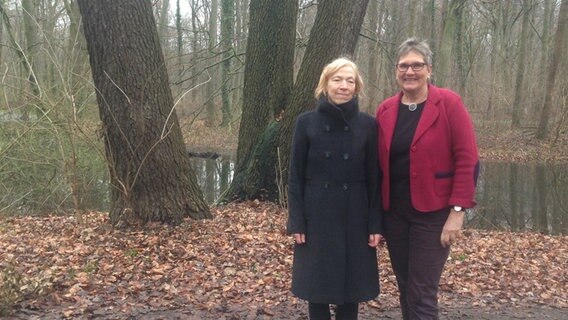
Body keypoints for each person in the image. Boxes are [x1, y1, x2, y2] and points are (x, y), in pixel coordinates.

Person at [375, 37, 479, 320]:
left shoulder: (449, 103)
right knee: (406, 286)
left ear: (429, 69)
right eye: (404, 66)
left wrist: (458, 211)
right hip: (394, 214)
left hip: (432, 214)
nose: (410, 72)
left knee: (422, 291)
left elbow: (468, 159)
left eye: (417, 65)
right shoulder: (385, 110)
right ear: (396, 70)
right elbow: (378, 166)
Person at [287, 57, 384, 320]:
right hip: (316, 215)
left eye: (350, 80)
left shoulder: (368, 125)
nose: (344, 86)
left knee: (350, 289)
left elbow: (375, 179)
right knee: (317, 289)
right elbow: (295, 177)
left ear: (357, 87)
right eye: (337, 79)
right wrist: (297, 221)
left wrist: (375, 224)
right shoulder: (305, 123)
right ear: (325, 84)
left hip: (356, 215)